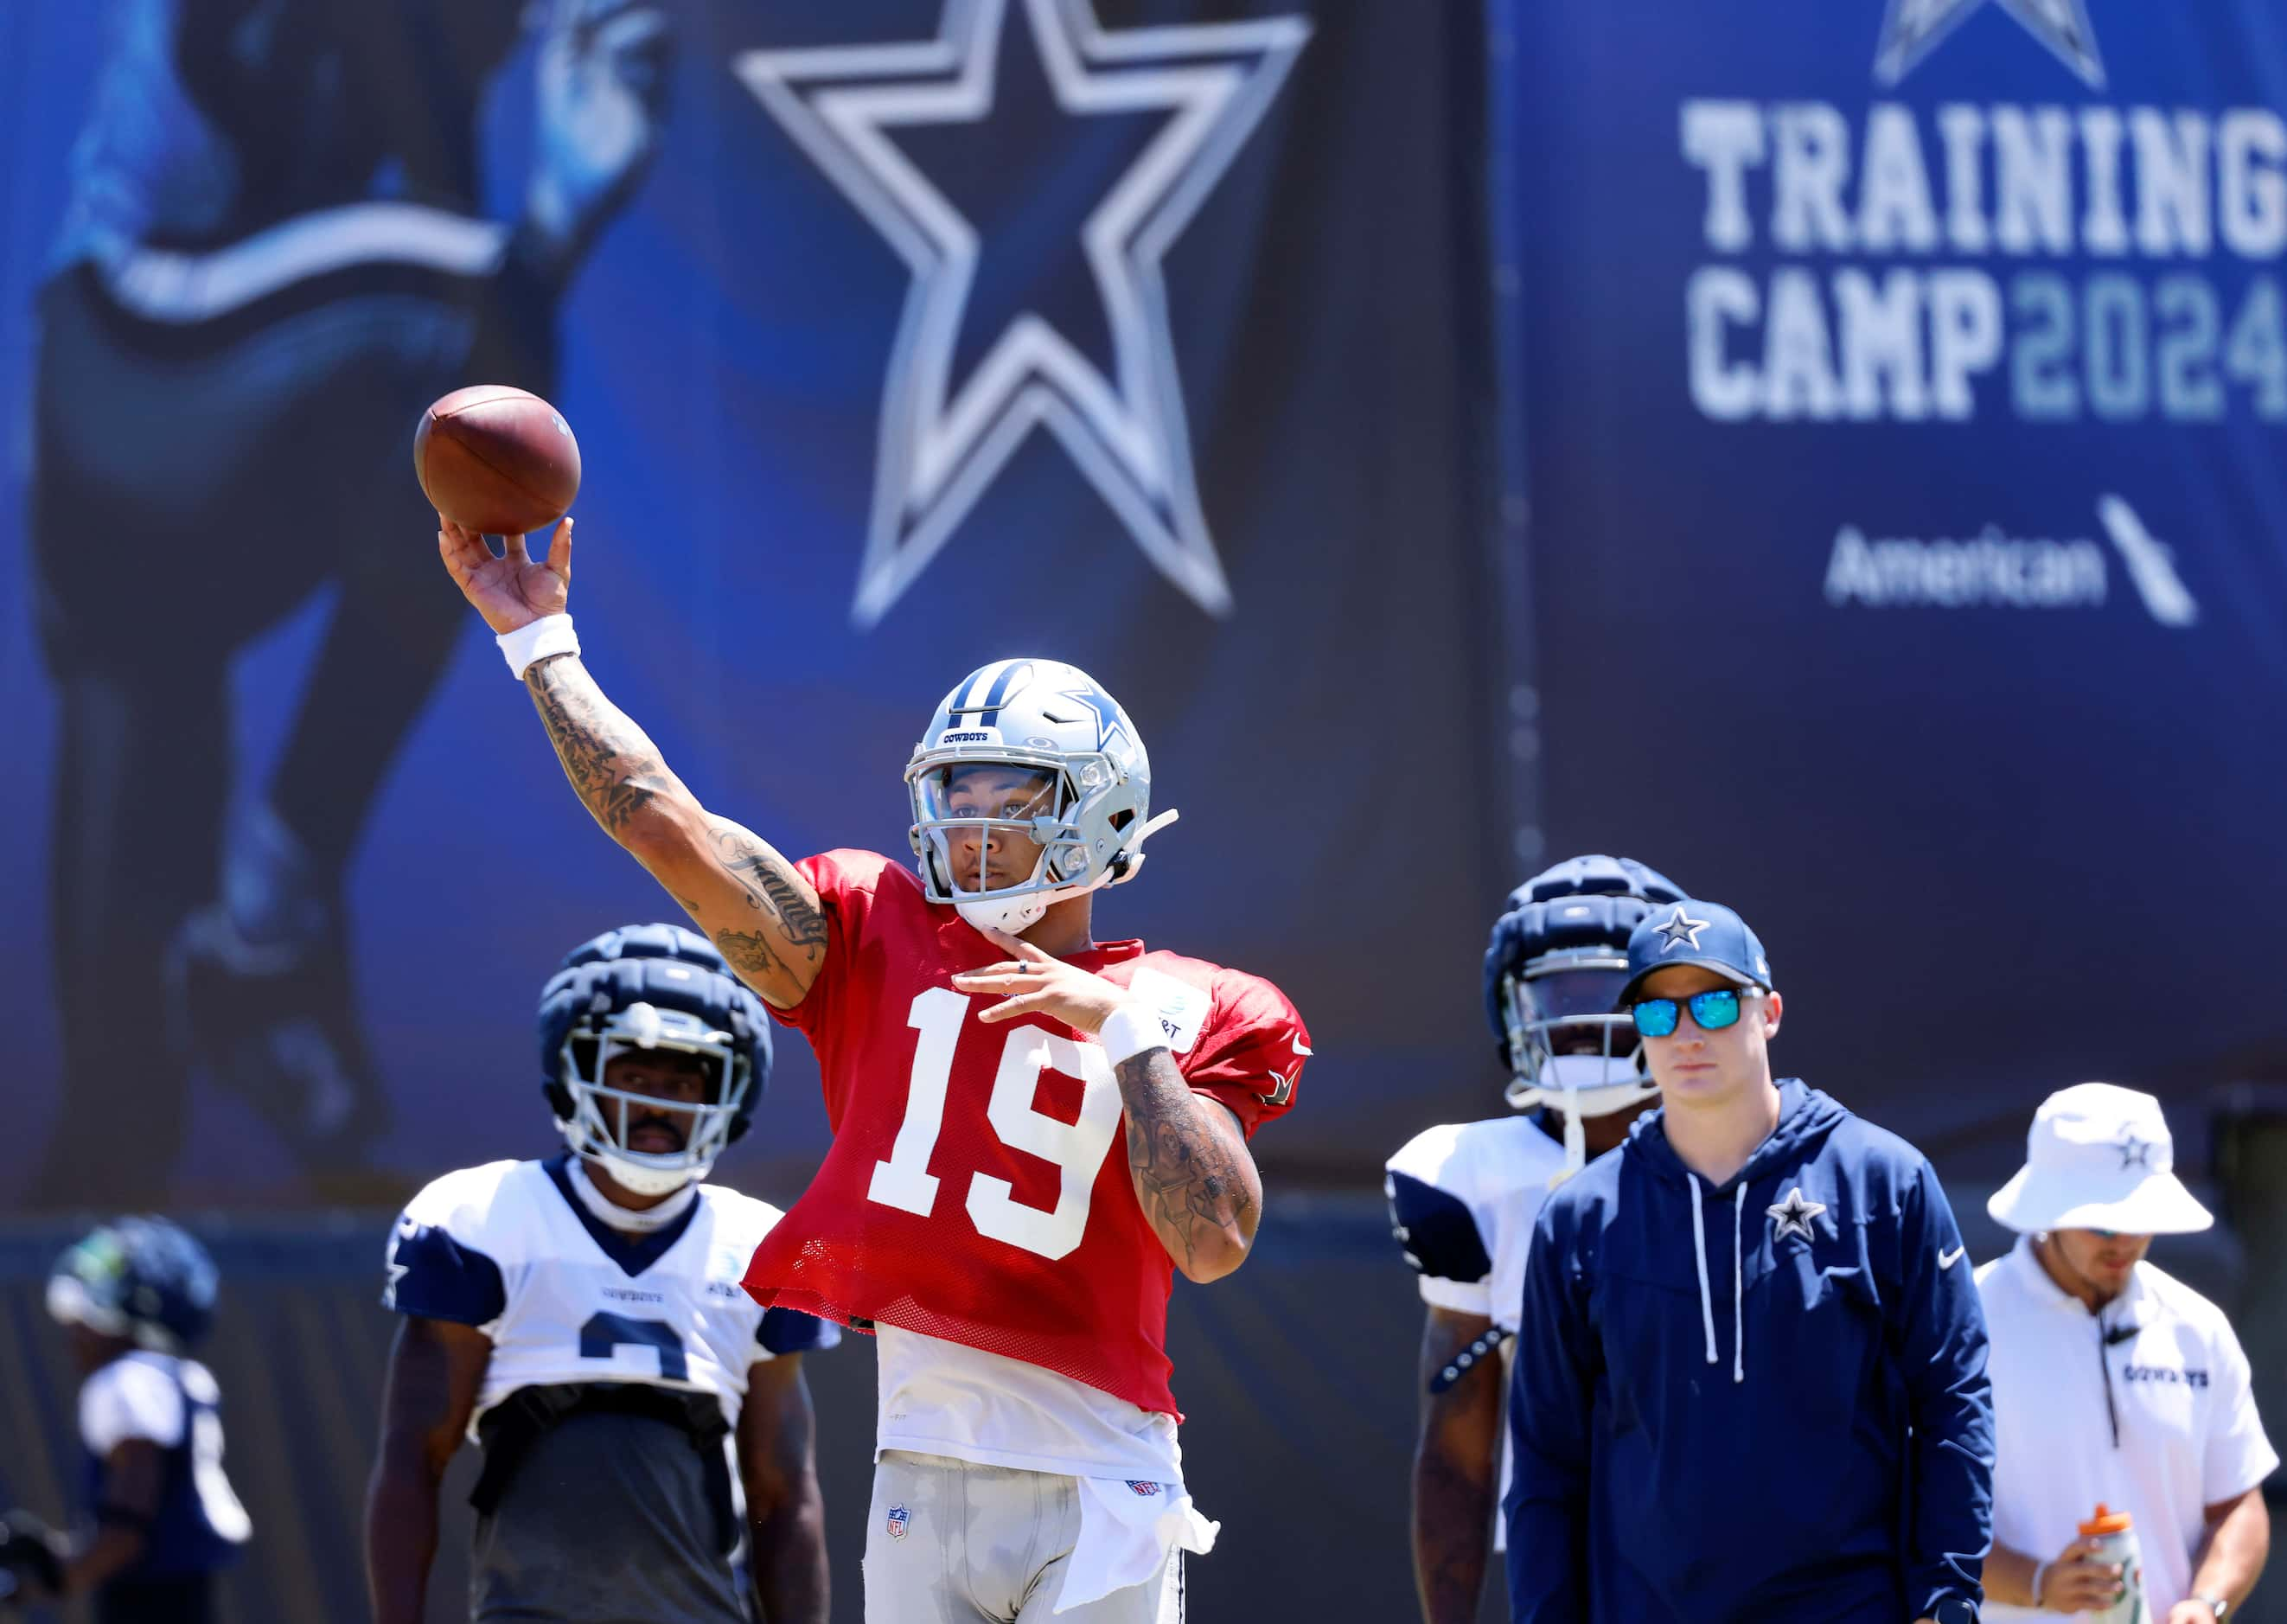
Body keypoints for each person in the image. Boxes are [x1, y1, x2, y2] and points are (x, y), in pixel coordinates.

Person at [437, 519, 1309, 1621]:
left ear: (1102, 812)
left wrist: (1126, 1036)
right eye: (960, 795)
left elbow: (1212, 1242)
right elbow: (668, 827)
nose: (973, 829)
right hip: (915, 1477)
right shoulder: (866, 935)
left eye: (1014, 800)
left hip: (1104, 1477)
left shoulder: (1194, 1007)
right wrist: (539, 644)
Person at [29, 0, 671, 1203]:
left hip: (264, 439)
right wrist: (541, 231)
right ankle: (269, 925)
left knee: (120, 1109)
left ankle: (265, 930)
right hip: (132, 363)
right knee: (481, 315)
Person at [1504, 898, 1993, 1624]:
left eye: (1713, 1003)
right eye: (1658, 1013)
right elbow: (1546, 1457)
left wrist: (1945, 1597)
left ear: (1767, 1012)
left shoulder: (1882, 1180)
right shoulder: (1581, 1217)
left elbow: (1954, 1399)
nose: (1686, 1033)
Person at [363, 924, 833, 1624]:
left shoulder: (759, 1246)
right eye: (634, 1075)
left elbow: (783, 1492)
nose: (658, 1104)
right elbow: (412, 1460)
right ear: (575, 1072)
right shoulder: (485, 1218)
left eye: (684, 1078)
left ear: (733, 1093)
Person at [1383, 854, 1683, 1623]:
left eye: (1610, 993)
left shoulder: (1754, 1168)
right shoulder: (1463, 1175)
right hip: (1564, 1555)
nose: (1580, 1020)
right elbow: (1455, 1451)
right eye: (1557, 993)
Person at [1977, 1082, 2276, 1623]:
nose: (2126, 1241)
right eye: (2104, 1222)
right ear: (2049, 1210)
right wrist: (2035, 1583)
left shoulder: (2199, 1327)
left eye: (2144, 1219)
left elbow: (2238, 1505)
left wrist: (2207, 1603)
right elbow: (1906, 1514)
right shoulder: (1962, 1322)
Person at [0, 1218, 251, 1622]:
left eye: (84, 1317)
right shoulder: (178, 1375)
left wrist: (52, 1578)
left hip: (149, 1604)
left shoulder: (127, 1380)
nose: (72, 1331)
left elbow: (128, 1528)